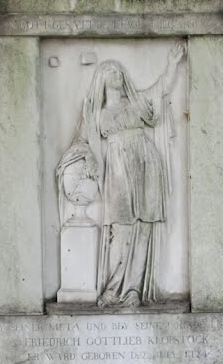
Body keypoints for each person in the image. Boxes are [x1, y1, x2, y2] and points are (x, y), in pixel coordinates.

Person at [57, 44, 185, 307]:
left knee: (144, 226)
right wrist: (87, 158)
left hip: (147, 163)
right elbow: (81, 140)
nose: (114, 72)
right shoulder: (94, 111)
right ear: (101, 79)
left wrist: (172, 64)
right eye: (108, 69)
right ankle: (113, 289)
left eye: (117, 69)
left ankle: (133, 292)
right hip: (117, 169)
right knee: (122, 227)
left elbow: (161, 88)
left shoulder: (136, 101)